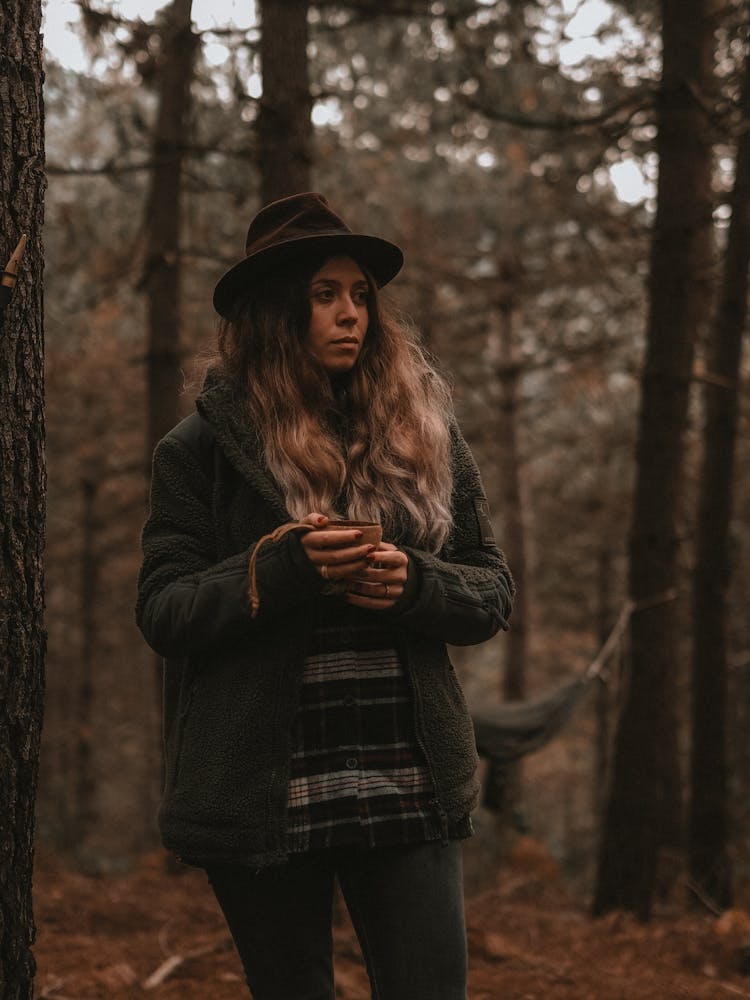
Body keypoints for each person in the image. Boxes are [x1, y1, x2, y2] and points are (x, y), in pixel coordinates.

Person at [136, 192, 514, 1000]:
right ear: (275, 311)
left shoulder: (426, 433)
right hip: (264, 787)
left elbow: (490, 590)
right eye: (324, 295)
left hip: (406, 778)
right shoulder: (197, 450)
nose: (352, 314)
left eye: (360, 296)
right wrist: (280, 571)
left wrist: (414, 583)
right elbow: (163, 610)